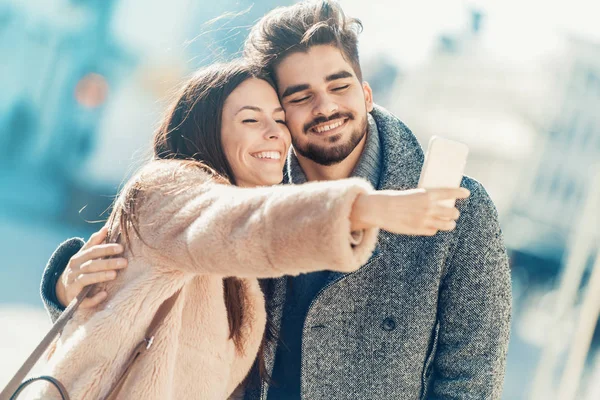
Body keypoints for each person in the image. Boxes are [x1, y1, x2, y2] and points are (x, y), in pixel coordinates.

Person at [34, 59, 467, 400]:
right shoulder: (165, 187)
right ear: (207, 131)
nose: (274, 134)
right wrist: (367, 207)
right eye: (249, 120)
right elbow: (239, 224)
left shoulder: (241, 270)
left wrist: (68, 290)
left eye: (280, 120)